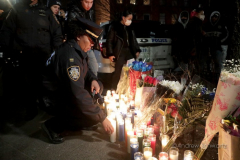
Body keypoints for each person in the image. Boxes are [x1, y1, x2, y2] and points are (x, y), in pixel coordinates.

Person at [42, 17, 114, 144]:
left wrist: (93, 79)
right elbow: (78, 94)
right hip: (53, 97)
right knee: (90, 115)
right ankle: (52, 125)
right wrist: (102, 118)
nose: (92, 45)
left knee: (97, 91)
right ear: (79, 36)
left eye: (94, 42)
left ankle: (80, 119)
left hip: (64, 89)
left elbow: (85, 70)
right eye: (91, 41)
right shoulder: (70, 56)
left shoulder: (78, 48)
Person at [0, 0, 63, 120]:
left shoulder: (46, 11)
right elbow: (6, 30)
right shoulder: (17, 9)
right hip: (23, 55)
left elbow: (57, 32)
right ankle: (29, 109)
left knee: (44, 83)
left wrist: (56, 51)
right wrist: (7, 51)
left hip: (43, 55)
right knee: (25, 85)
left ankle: (45, 105)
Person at [106, 9, 141, 90]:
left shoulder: (130, 28)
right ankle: (114, 89)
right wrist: (110, 54)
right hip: (119, 52)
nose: (130, 21)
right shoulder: (114, 27)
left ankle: (129, 90)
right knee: (118, 72)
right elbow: (109, 41)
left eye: (131, 19)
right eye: (129, 19)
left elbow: (134, 40)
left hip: (129, 52)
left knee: (131, 72)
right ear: (123, 18)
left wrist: (137, 50)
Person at [67, 0, 99, 76]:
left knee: (94, 67)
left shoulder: (91, 12)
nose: (89, 5)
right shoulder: (73, 11)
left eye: (91, 2)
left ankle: (93, 83)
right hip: (77, 46)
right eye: (86, 2)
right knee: (79, 70)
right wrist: (83, 34)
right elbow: (71, 29)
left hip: (88, 45)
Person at [203, 11, 229, 83]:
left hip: (219, 48)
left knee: (219, 63)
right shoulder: (207, 26)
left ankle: (220, 79)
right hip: (210, 48)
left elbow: (226, 35)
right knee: (209, 64)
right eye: (213, 17)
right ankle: (211, 78)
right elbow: (204, 36)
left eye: (216, 17)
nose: (214, 18)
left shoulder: (222, 26)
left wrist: (220, 42)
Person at [187, 7, 206, 76]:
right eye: (201, 14)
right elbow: (193, 36)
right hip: (196, 49)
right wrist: (193, 48)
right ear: (197, 14)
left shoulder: (197, 23)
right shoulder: (195, 23)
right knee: (196, 66)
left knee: (197, 66)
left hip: (197, 48)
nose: (203, 15)